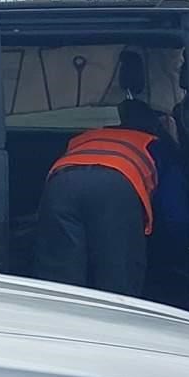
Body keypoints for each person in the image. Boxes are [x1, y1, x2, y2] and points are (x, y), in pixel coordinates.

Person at [32, 95, 165, 296]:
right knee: (117, 272)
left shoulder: (89, 135)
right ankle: (118, 322)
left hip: (62, 183)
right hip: (115, 184)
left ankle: (62, 322)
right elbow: (172, 201)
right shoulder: (153, 143)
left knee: (61, 275)